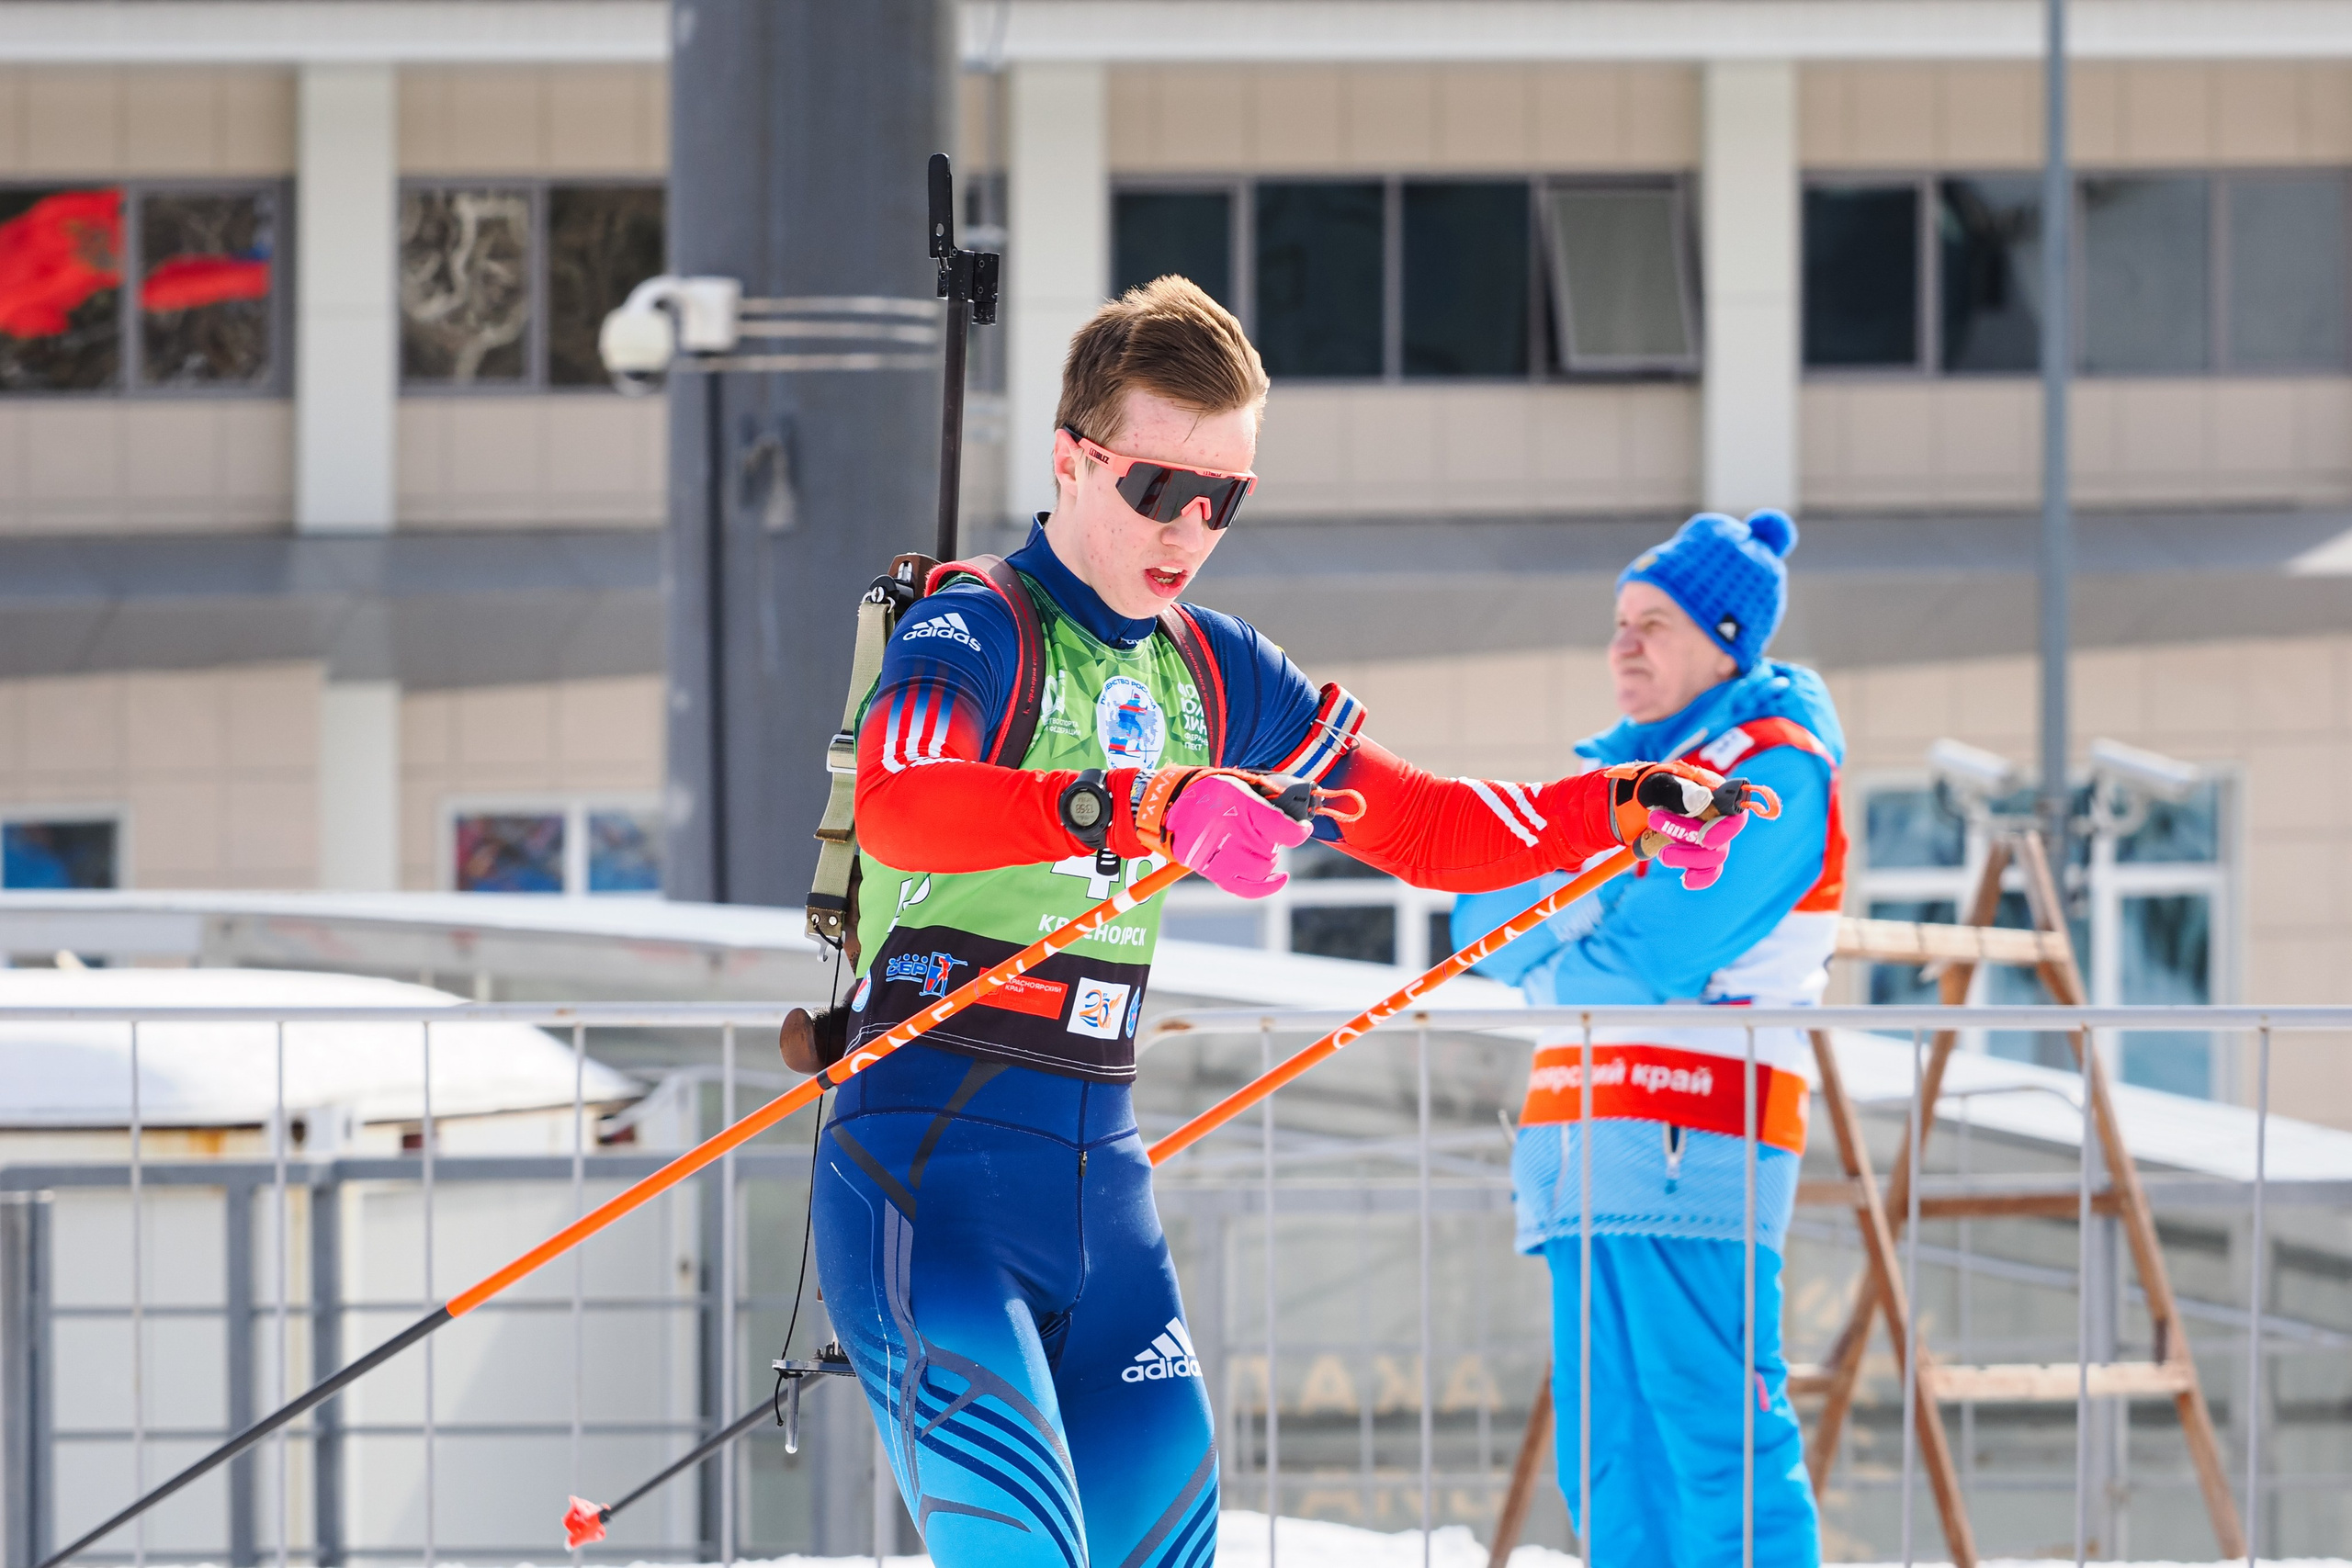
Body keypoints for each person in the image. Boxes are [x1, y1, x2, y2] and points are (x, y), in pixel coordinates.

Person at [790, 276, 1762, 1568]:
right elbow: (907, 805)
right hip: (924, 1176)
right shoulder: (977, 624)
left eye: (1224, 498)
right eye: (1158, 486)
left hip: (1098, 1181)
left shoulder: (1216, 665)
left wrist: (1624, 805)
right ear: (1072, 461)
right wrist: (1143, 804)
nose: (1188, 528)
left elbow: (1425, 826)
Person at [1453, 511, 1838, 1567]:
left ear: (1725, 640)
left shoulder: (1774, 768)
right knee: (1607, 1453)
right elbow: (1473, 920)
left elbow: (1648, 959)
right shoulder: (1620, 773)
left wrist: (1552, 937)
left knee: (1716, 1438)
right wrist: (1587, 911)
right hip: (1585, 1137)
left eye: (1654, 624)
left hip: (1696, 1133)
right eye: (1620, 621)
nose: (1623, 645)